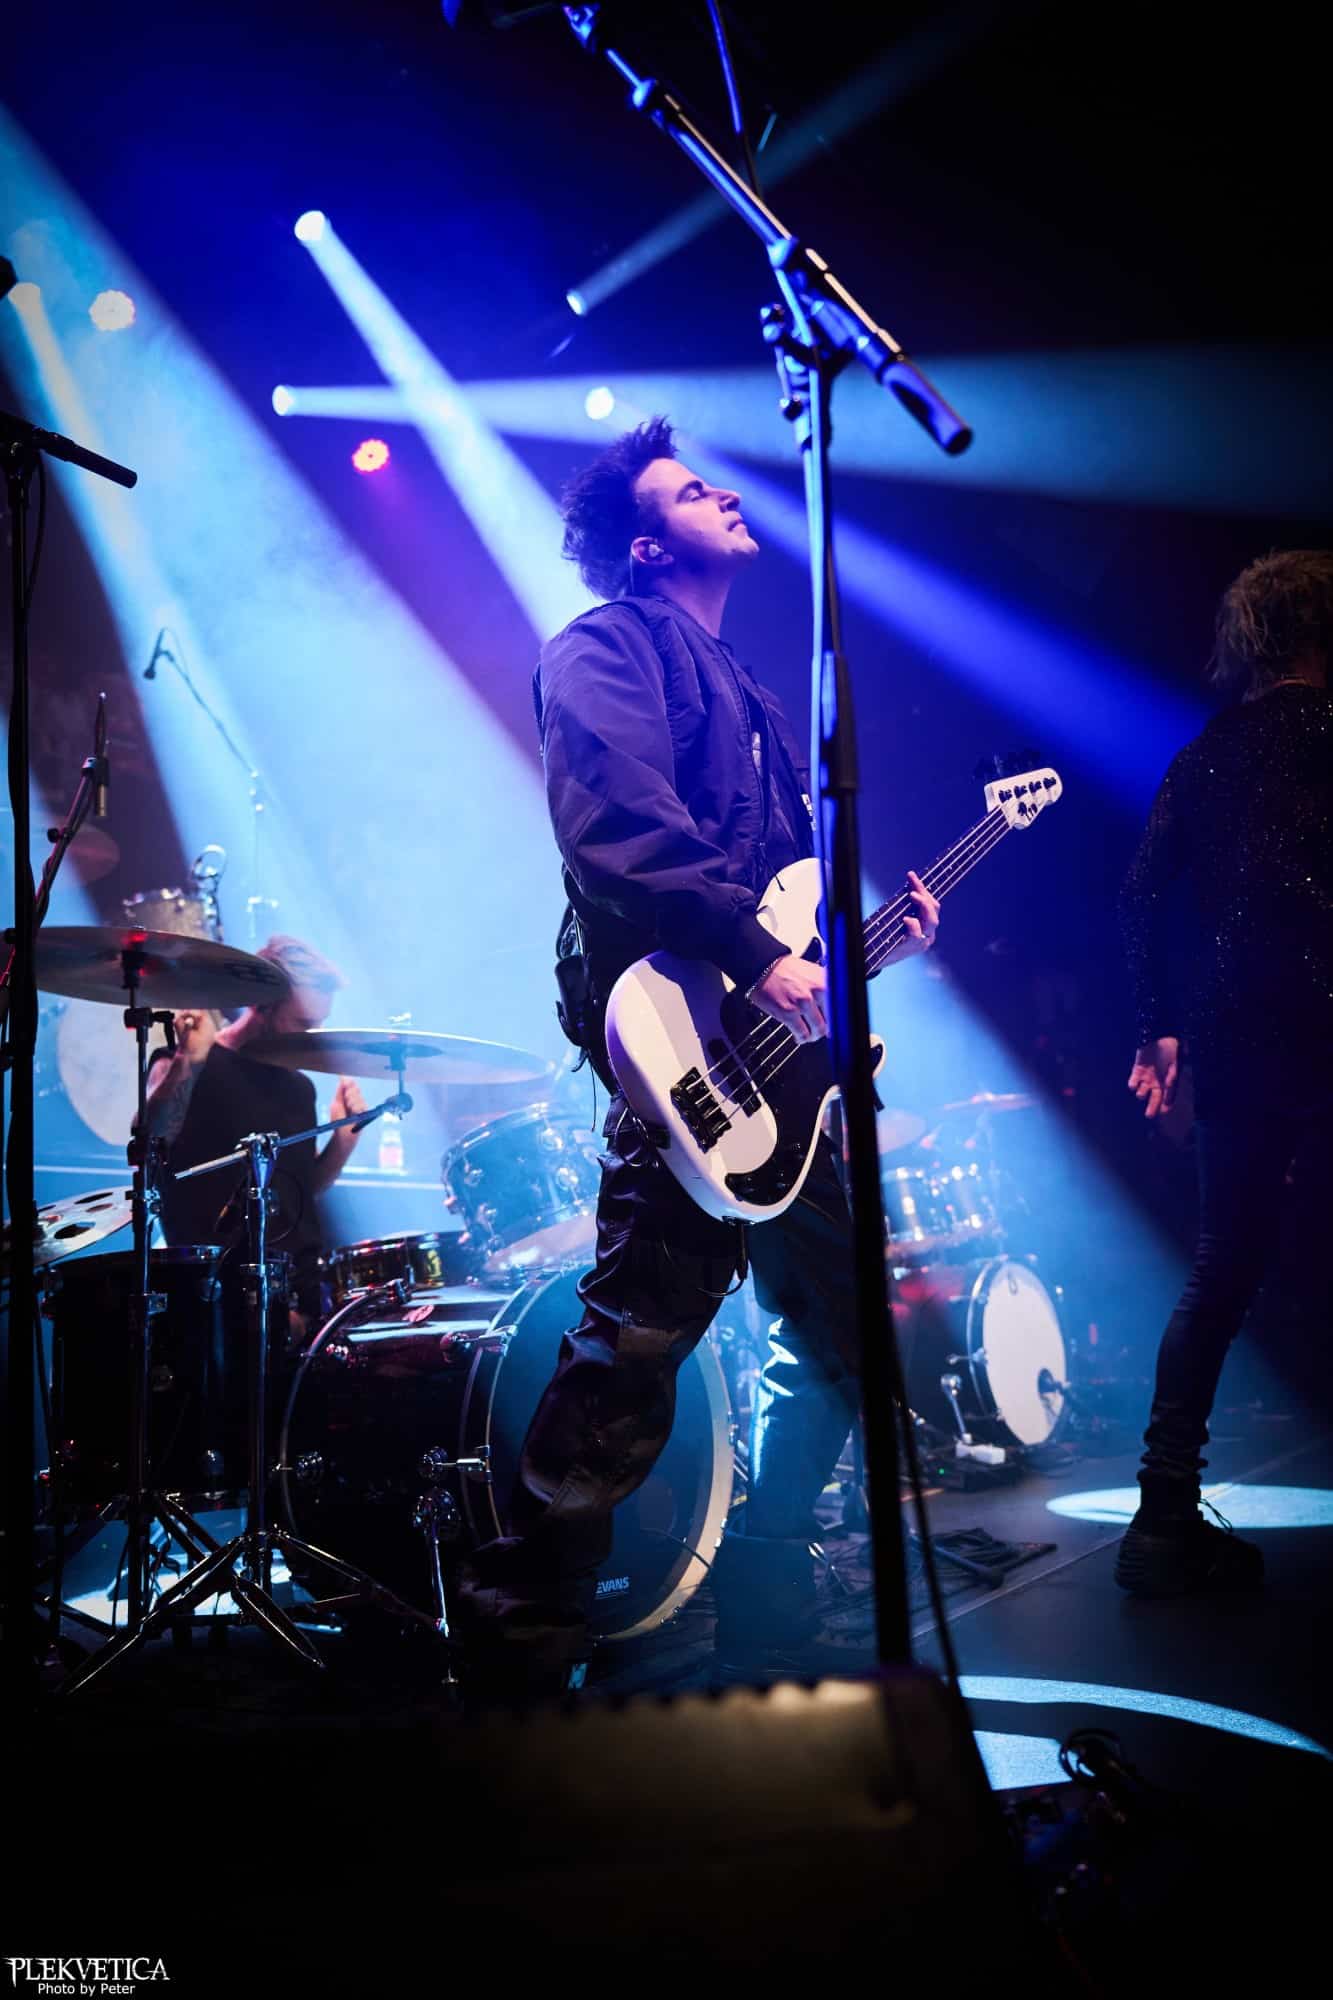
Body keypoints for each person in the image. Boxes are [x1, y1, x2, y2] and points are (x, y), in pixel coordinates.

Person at [456, 418, 939, 1697]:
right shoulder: (603, 647)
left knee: (845, 1341)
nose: (723, 492)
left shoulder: (758, 695)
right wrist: (754, 947)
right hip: (681, 1048)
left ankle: (770, 1599)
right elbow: (619, 828)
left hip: (783, 1075)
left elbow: (782, 910)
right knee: (630, 1353)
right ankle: (517, 1650)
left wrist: (863, 945)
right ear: (641, 542)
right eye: (687, 489)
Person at [1117, 549, 1333, 1596]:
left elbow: (1140, 897)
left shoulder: (1203, 755)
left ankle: (1160, 1518)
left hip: (1237, 1026)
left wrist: (1157, 1028)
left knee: (1220, 1266)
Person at [143, 933, 368, 1326]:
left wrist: (342, 1144)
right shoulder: (190, 1062)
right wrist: (188, 1060)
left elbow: (300, 1192)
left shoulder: (300, 1087)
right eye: (303, 1023)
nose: (313, 1034)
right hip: (217, 1297)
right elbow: (149, 1140)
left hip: (298, 1291)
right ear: (261, 1004)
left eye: (320, 1023)